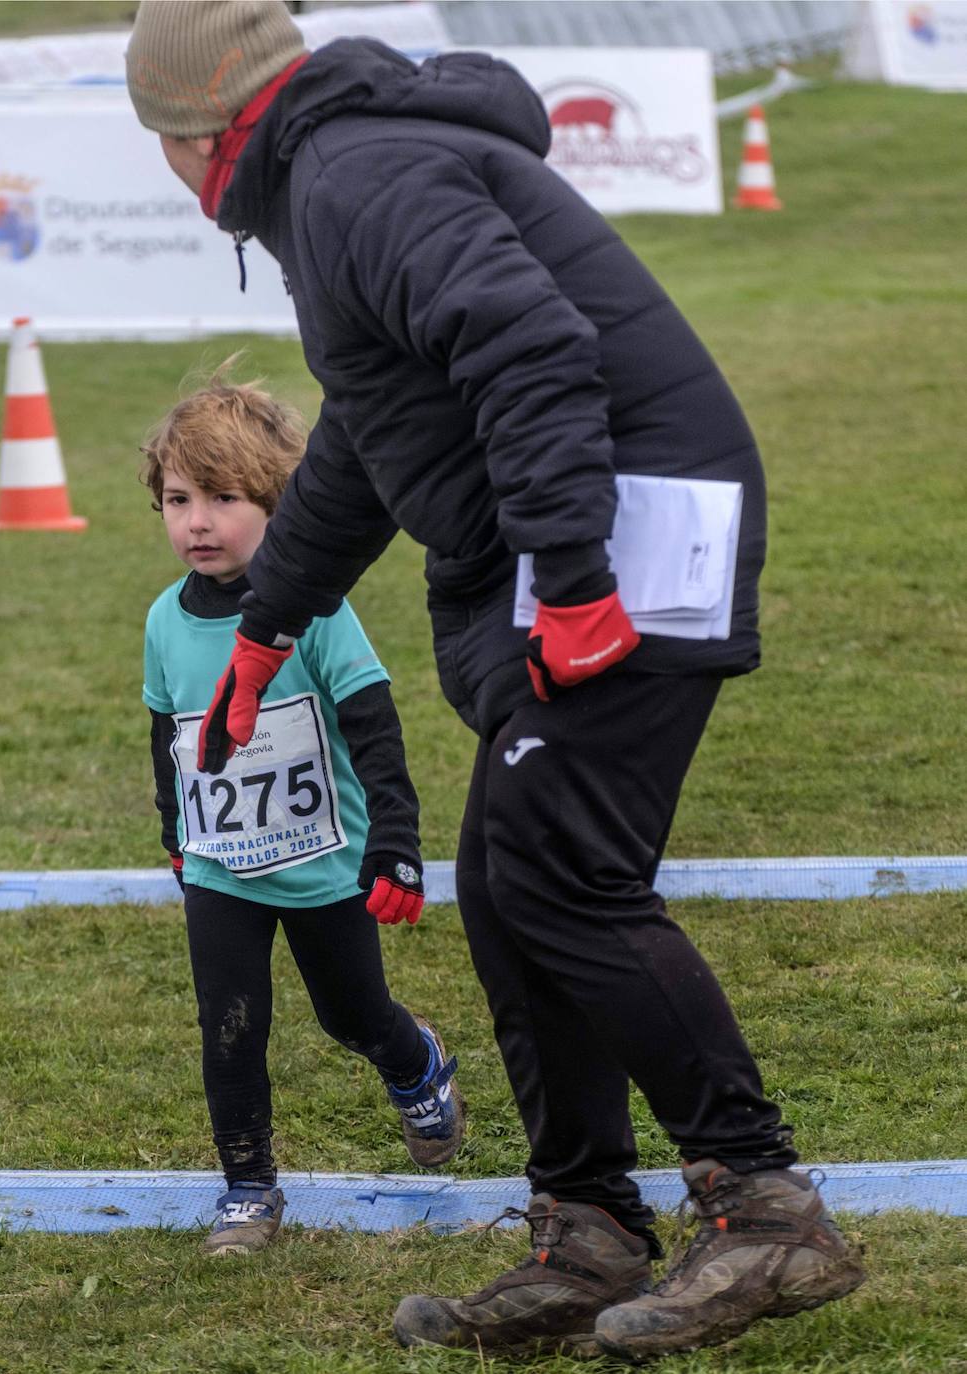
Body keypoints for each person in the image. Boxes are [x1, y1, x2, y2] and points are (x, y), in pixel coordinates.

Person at [126, 0, 866, 1357]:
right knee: (511, 881)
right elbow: (372, 430)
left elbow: (526, 345)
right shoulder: (335, 175)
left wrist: (576, 576)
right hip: (598, 520)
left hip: (627, 525)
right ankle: (584, 1222)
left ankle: (763, 1205)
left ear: (189, 136)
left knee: (559, 875)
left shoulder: (351, 172)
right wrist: (268, 620)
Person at [140, 365, 465, 1257]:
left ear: (280, 504)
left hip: (324, 868)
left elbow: (374, 725)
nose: (195, 522)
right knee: (230, 1024)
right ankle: (249, 1186)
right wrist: (177, 841)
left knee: (351, 1016)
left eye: (222, 498)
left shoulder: (314, 609)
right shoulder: (164, 620)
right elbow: (168, 736)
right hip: (221, 868)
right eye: (176, 499)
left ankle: (415, 1062)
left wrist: (394, 841)